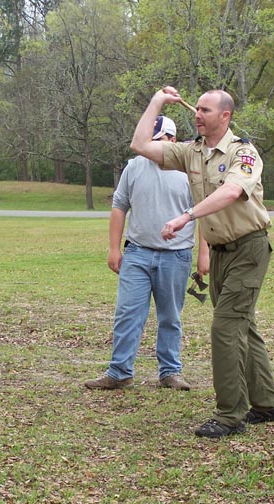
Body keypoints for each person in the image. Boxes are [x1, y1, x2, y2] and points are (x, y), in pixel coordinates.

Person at [130, 86, 274, 438]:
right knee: (242, 325)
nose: (197, 115)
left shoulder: (243, 152)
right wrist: (157, 101)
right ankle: (268, 403)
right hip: (220, 252)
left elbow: (231, 191)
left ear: (225, 116)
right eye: (195, 109)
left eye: (205, 110)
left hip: (249, 249)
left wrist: (186, 217)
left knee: (226, 328)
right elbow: (140, 145)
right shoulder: (192, 151)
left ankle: (230, 414)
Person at [85, 116, 209, 391]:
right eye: (150, 141)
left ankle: (170, 372)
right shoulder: (134, 166)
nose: (152, 148)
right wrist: (114, 248)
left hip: (176, 255)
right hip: (138, 253)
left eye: (159, 140)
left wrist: (204, 253)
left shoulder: (191, 171)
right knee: (128, 313)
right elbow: (120, 206)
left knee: (170, 316)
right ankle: (119, 372)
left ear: (172, 141)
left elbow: (203, 212)